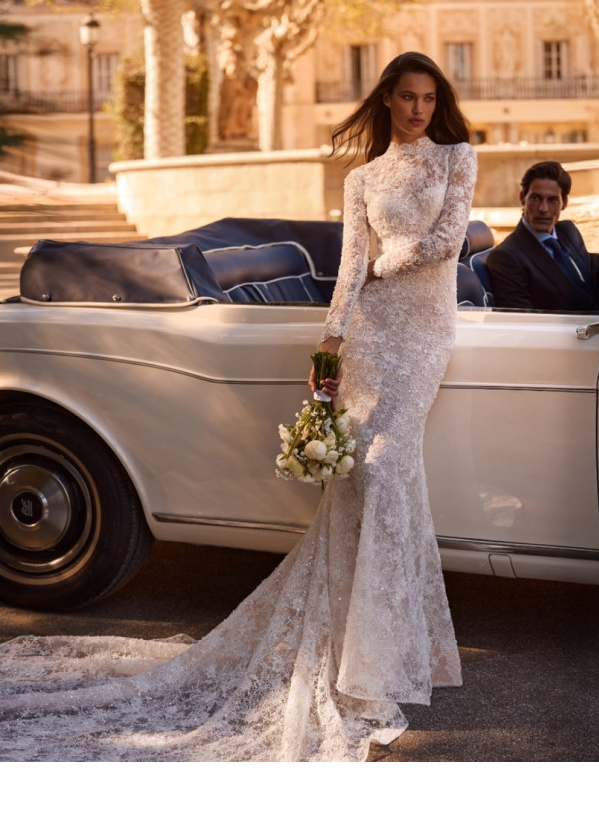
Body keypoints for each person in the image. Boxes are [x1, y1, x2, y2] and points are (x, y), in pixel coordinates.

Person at [0, 53, 477, 762]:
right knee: (357, 484)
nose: (417, 110)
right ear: (386, 102)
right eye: (406, 98)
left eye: (428, 98)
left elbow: (447, 243)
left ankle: (388, 651)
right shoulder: (361, 178)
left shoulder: (457, 157)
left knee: (382, 469)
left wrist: (384, 265)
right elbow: (348, 267)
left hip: (425, 334)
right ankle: (362, 654)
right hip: (373, 335)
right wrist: (329, 349)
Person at [487, 161, 599, 310]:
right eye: (535, 198)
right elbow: (523, 322)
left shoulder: (567, 231)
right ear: (522, 198)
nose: (543, 209)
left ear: (564, 203)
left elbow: (590, 270)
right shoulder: (506, 256)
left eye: (552, 200)